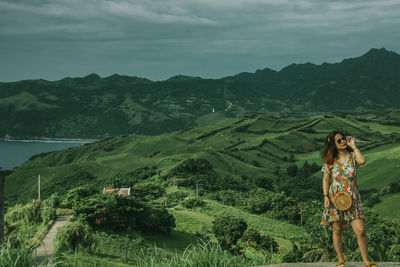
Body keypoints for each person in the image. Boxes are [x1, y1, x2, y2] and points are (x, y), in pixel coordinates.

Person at [320, 131, 377, 267]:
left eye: (344, 139)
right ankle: (341, 260)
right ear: (333, 144)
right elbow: (326, 179)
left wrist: (354, 146)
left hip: (353, 197)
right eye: (339, 140)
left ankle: (366, 261)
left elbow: (362, 161)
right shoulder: (330, 159)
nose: (343, 141)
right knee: (337, 229)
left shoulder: (352, 156)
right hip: (336, 199)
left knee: (360, 230)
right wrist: (326, 197)